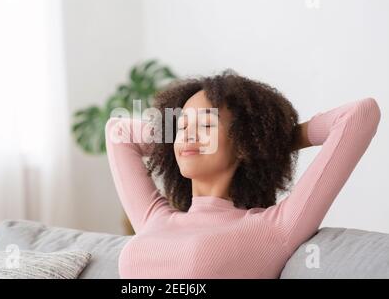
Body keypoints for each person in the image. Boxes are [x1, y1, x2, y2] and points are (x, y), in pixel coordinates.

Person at [105, 70, 381, 278]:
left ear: (243, 143)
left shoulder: (275, 228)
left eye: (206, 125)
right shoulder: (154, 219)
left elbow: (359, 114)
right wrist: (174, 143)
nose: (187, 135)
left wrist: (271, 141)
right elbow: (118, 131)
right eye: (181, 126)